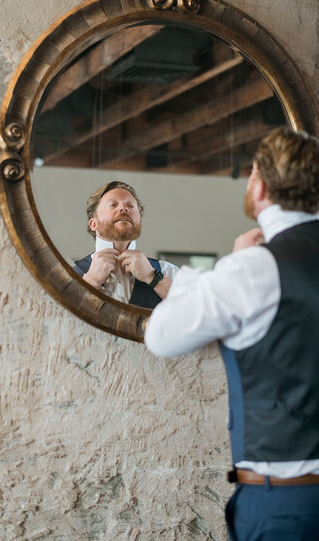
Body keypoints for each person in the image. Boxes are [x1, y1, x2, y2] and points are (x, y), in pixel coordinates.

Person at [144, 127, 319, 540]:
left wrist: (233, 265)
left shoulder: (255, 268)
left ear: (259, 184)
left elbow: (162, 336)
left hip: (287, 504)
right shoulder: (254, 269)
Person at [74, 181, 178, 308]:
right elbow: (55, 320)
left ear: (139, 221)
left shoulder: (169, 272)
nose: (124, 208)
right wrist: (91, 281)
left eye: (131, 206)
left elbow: (194, 313)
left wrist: (153, 277)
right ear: (93, 224)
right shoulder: (69, 275)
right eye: (113, 205)